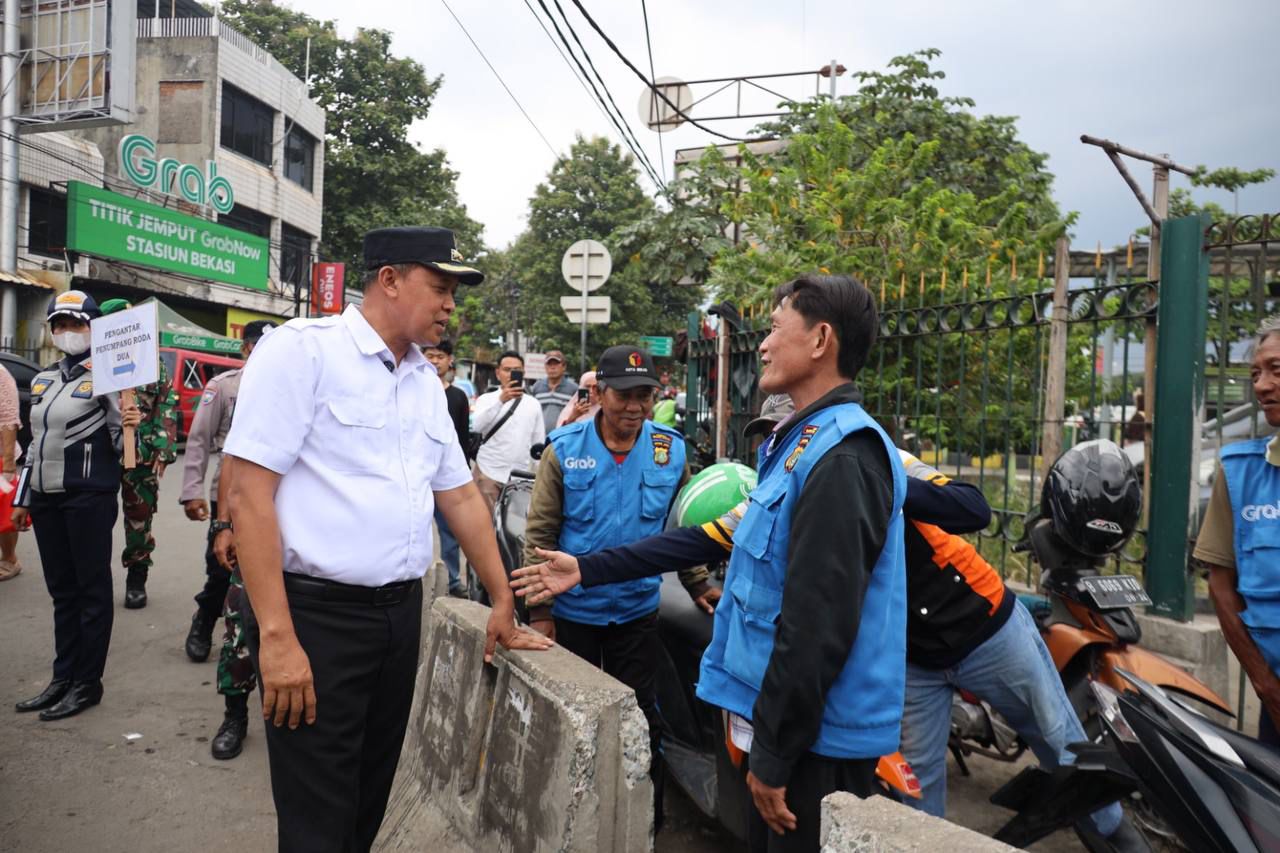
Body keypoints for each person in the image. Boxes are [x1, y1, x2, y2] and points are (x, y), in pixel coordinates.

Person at [514, 274, 907, 853]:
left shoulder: (843, 457)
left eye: (775, 329)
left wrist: (773, 752)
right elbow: (701, 538)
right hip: (778, 722)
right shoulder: (799, 446)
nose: (763, 344)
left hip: (816, 740)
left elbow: (816, 627)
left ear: (821, 340)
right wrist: (583, 571)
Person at [223, 226, 552, 853]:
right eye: (440, 287)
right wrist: (278, 638)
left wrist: (502, 597)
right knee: (317, 823)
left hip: (399, 618)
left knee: (366, 803)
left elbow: (459, 496)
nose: (450, 305)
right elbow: (249, 495)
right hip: (316, 620)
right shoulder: (304, 352)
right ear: (390, 280)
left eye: (454, 292)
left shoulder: (424, 382)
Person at [523, 344, 719, 827]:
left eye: (644, 396)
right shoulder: (565, 449)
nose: (634, 407)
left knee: (641, 722)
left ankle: (642, 825)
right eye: (624, 395)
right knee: (572, 719)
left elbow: (683, 528)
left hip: (636, 613)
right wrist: (540, 613)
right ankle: (570, 823)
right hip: (573, 615)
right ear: (600, 393)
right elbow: (540, 537)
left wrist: (698, 583)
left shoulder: (670, 450)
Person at [13, 291, 141, 720]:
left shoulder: (111, 377)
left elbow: (125, 450)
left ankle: (87, 683)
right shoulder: (44, 379)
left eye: (76, 324)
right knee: (62, 594)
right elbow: (33, 445)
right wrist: (22, 498)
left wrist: (132, 426)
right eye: (60, 324)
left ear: (93, 328)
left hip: (88, 497)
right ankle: (62, 678)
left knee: (91, 593)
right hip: (46, 499)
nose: (67, 332)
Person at [1199, 315, 1280, 747]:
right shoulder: (1239, 474)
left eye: (1276, 370)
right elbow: (1221, 586)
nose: (1262, 386)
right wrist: (1266, 687)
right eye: (1255, 374)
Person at [180, 320, 276, 663]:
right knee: (222, 570)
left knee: (266, 572)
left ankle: (255, 641)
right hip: (228, 491)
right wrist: (192, 490)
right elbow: (199, 440)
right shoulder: (224, 386)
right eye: (257, 345)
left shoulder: (284, 386)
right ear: (245, 348)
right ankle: (204, 622)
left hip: (271, 496)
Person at [94, 299, 178, 609]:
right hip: (101, 455)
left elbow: (166, 405)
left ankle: (137, 577)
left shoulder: (151, 364)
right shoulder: (93, 365)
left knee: (139, 520)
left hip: (141, 456)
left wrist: (163, 448)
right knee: (94, 520)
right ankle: (94, 580)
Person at [424, 338, 471, 597]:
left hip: (446, 477)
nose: (435, 361)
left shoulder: (458, 396)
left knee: (450, 533)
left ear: (449, 361)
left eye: (440, 357)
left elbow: (463, 439)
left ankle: (452, 580)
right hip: (419, 473)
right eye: (430, 355)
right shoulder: (413, 389)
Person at [471, 350, 544, 511]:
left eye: (516, 370)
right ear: (498, 373)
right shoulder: (486, 399)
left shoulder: (533, 404)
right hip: (488, 471)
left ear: (523, 373)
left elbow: (538, 443)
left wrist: (539, 477)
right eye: (507, 370)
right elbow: (477, 426)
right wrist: (501, 401)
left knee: (515, 524)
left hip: (520, 477)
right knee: (486, 522)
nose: (511, 374)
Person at [0, 362, 23, 580]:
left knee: (3, 513)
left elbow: (8, 419)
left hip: (1, 457)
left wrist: (8, 464)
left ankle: (10, 559)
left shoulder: (1, 375)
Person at [530, 348, 577, 435]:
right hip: (540, 437)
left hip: (563, 436)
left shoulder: (573, 389)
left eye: (556, 363)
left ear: (564, 367)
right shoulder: (537, 387)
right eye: (549, 364)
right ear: (545, 367)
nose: (552, 367)